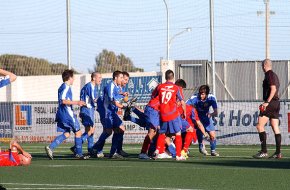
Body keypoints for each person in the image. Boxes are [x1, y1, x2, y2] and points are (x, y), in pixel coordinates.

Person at [45, 69, 87, 160]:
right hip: (67, 113)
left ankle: (50, 147)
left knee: (67, 133)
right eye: (73, 78)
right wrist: (77, 102)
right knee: (78, 132)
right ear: (70, 78)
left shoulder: (62, 87)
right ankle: (79, 154)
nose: (74, 80)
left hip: (61, 113)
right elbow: (63, 100)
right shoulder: (66, 87)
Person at [92, 71, 127, 158]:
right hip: (107, 112)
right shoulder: (110, 86)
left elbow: (118, 97)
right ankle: (95, 148)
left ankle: (112, 152)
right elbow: (113, 100)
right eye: (121, 78)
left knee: (121, 129)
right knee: (108, 132)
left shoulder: (117, 87)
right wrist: (123, 107)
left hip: (112, 113)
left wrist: (123, 95)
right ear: (116, 78)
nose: (122, 80)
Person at [154, 70, 187, 161]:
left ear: (165, 77)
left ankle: (158, 151)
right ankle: (178, 155)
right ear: (173, 77)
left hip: (163, 114)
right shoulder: (176, 88)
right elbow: (182, 101)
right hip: (173, 114)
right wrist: (184, 112)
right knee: (178, 133)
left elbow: (153, 97)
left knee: (162, 133)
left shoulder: (159, 86)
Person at [253, 59, 282, 159]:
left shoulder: (269, 74)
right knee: (275, 127)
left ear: (265, 65)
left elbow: (273, 88)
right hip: (276, 103)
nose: (262, 68)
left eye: (262, 66)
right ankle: (278, 152)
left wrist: (267, 102)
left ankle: (264, 151)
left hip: (270, 103)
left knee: (259, 126)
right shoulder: (275, 75)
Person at [71, 72, 102, 156]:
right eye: (99, 77)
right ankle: (77, 147)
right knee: (90, 130)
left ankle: (90, 149)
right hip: (87, 110)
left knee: (90, 130)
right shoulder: (90, 86)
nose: (100, 79)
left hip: (89, 110)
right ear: (93, 78)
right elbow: (94, 99)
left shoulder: (91, 86)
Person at [186, 85, 219, 156]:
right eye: (200, 94)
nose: (201, 96)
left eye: (203, 94)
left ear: (207, 94)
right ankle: (186, 149)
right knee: (191, 134)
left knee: (212, 136)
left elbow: (216, 112)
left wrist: (211, 114)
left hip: (206, 118)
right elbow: (185, 106)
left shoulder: (211, 98)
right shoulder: (194, 97)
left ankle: (213, 151)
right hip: (197, 118)